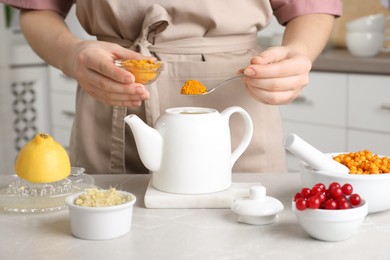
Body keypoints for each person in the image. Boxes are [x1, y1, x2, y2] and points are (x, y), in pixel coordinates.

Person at [2, 0, 342, 174]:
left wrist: (298, 54)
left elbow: (312, 7)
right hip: (112, 96)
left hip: (238, 107)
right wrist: (71, 54)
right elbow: (37, 9)